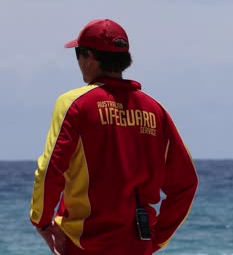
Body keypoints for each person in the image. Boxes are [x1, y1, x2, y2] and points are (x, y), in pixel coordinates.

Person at [29, 19, 198, 255]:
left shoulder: (74, 104)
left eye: (77, 54)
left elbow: (49, 170)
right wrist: (157, 238)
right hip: (137, 245)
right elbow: (186, 183)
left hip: (84, 245)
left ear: (90, 57)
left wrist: (42, 221)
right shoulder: (155, 110)